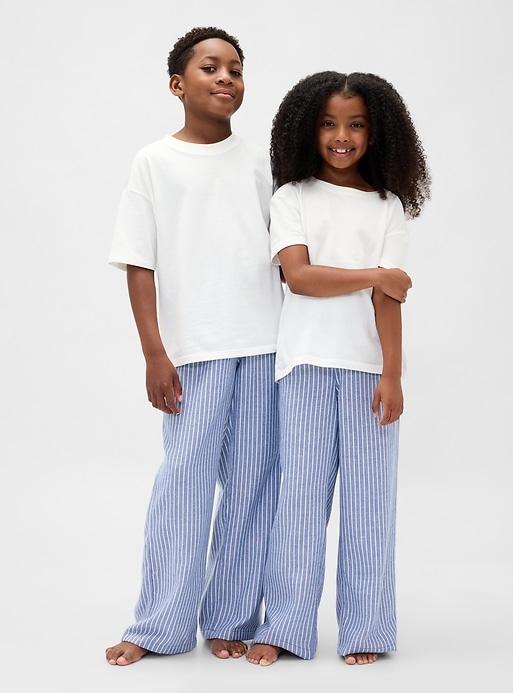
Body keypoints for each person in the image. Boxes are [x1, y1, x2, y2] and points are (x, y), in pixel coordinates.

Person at [104, 26, 286, 666]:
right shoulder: (154, 162)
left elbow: (287, 253)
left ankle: (231, 616)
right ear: (178, 84)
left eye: (235, 67)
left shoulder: (263, 162)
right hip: (194, 351)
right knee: (183, 482)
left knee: (253, 482)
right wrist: (154, 353)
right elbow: (139, 263)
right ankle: (159, 624)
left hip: (266, 346)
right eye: (211, 67)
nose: (226, 77)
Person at [246, 71, 431, 668]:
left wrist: (392, 374)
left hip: (368, 372)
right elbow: (299, 277)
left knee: (371, 505)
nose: (341, 136)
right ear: (308, 129)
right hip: (302, 366)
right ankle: (286, 625)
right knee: (298, 502)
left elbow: (388, 301)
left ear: (377, 134)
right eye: (328, 123)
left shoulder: (387, 208)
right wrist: (376, 273)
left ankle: (367, 627)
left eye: (355, 125)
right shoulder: (292, 198)